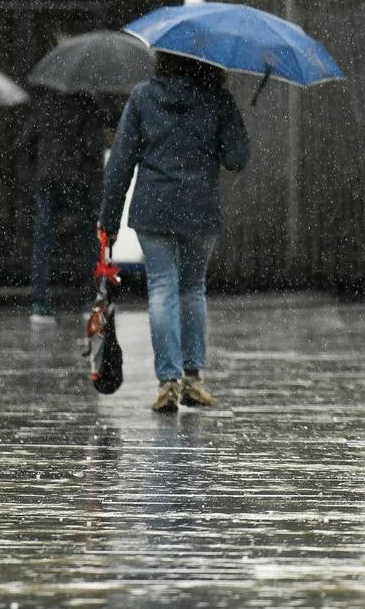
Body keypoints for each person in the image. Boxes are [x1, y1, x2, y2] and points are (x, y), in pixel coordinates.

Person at [98, 52, 249, 414]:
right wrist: (230, 125)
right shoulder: (217, 99)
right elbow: (236, 159)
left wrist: (110, 220)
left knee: (162, 289)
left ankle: (168, 381)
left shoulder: (143, 97)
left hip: (154, 209)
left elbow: (121, 161)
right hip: (200, 210)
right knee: (192, 289)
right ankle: (194, 379)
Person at [20, 89, 110, 322]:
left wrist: (37, 169)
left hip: (47, 179)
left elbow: (25, 142)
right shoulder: (88, 105)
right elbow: (93, 148)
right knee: (88, 240)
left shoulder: (44, 104)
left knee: (43, 241)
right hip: (77, 179)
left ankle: (40, 304)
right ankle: (89, 299)